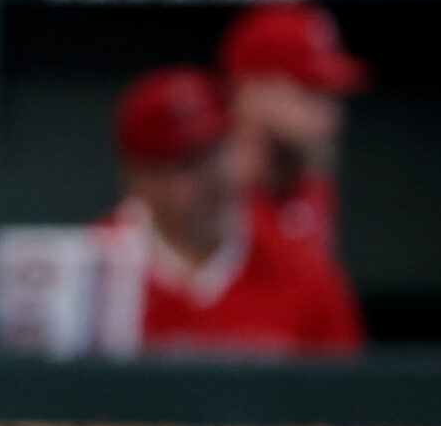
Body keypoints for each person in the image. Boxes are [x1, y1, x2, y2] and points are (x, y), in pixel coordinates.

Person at [102, 65, 362, 356]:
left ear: (235, 153)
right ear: (134, 177)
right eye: (172, 167)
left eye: (206, 161)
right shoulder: (92, 269)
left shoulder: (303, 270)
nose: (189, 189)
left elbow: (346, 394)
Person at [220, 1, 368, 256]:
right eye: (311, 94)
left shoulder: (314, 190)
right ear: (252, 92)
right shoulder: (194, 206)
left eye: (333, 96)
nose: (332, 116)